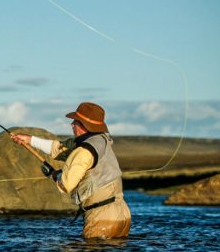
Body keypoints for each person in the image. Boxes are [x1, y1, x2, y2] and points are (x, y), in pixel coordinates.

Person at [11, 102, 131, 239]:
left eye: (75, 121)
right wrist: (29, 140)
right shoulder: (101, 140)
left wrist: (55, 175)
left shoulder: (84, 151)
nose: (71, 124)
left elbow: (66, 184)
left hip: (102, 217)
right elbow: (58, 148)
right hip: (123, 214)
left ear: (84, 125)